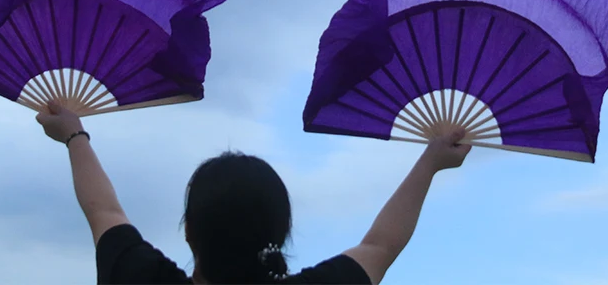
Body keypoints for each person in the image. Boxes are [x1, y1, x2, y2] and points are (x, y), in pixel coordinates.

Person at [36, 102, 471, 284]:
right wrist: (430, 162)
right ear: (281, 233)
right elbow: (380, 245)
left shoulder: (139, 278)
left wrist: (75, 135)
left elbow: (104, 212)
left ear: (189, 231)